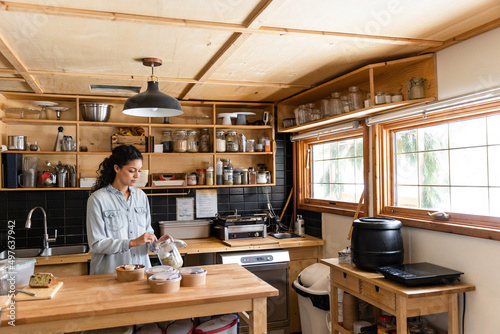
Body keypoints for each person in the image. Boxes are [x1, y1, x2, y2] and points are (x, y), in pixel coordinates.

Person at [86, 144, 171, 275]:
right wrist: (131, 243)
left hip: (141, 273)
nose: (137, 175)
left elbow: (147, 236)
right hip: (109, 275)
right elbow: (97, 244)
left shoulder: (141, 196)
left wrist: (158, 243)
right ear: (117, 168)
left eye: (139, 170)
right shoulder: (97, 199)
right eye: (132, 171)